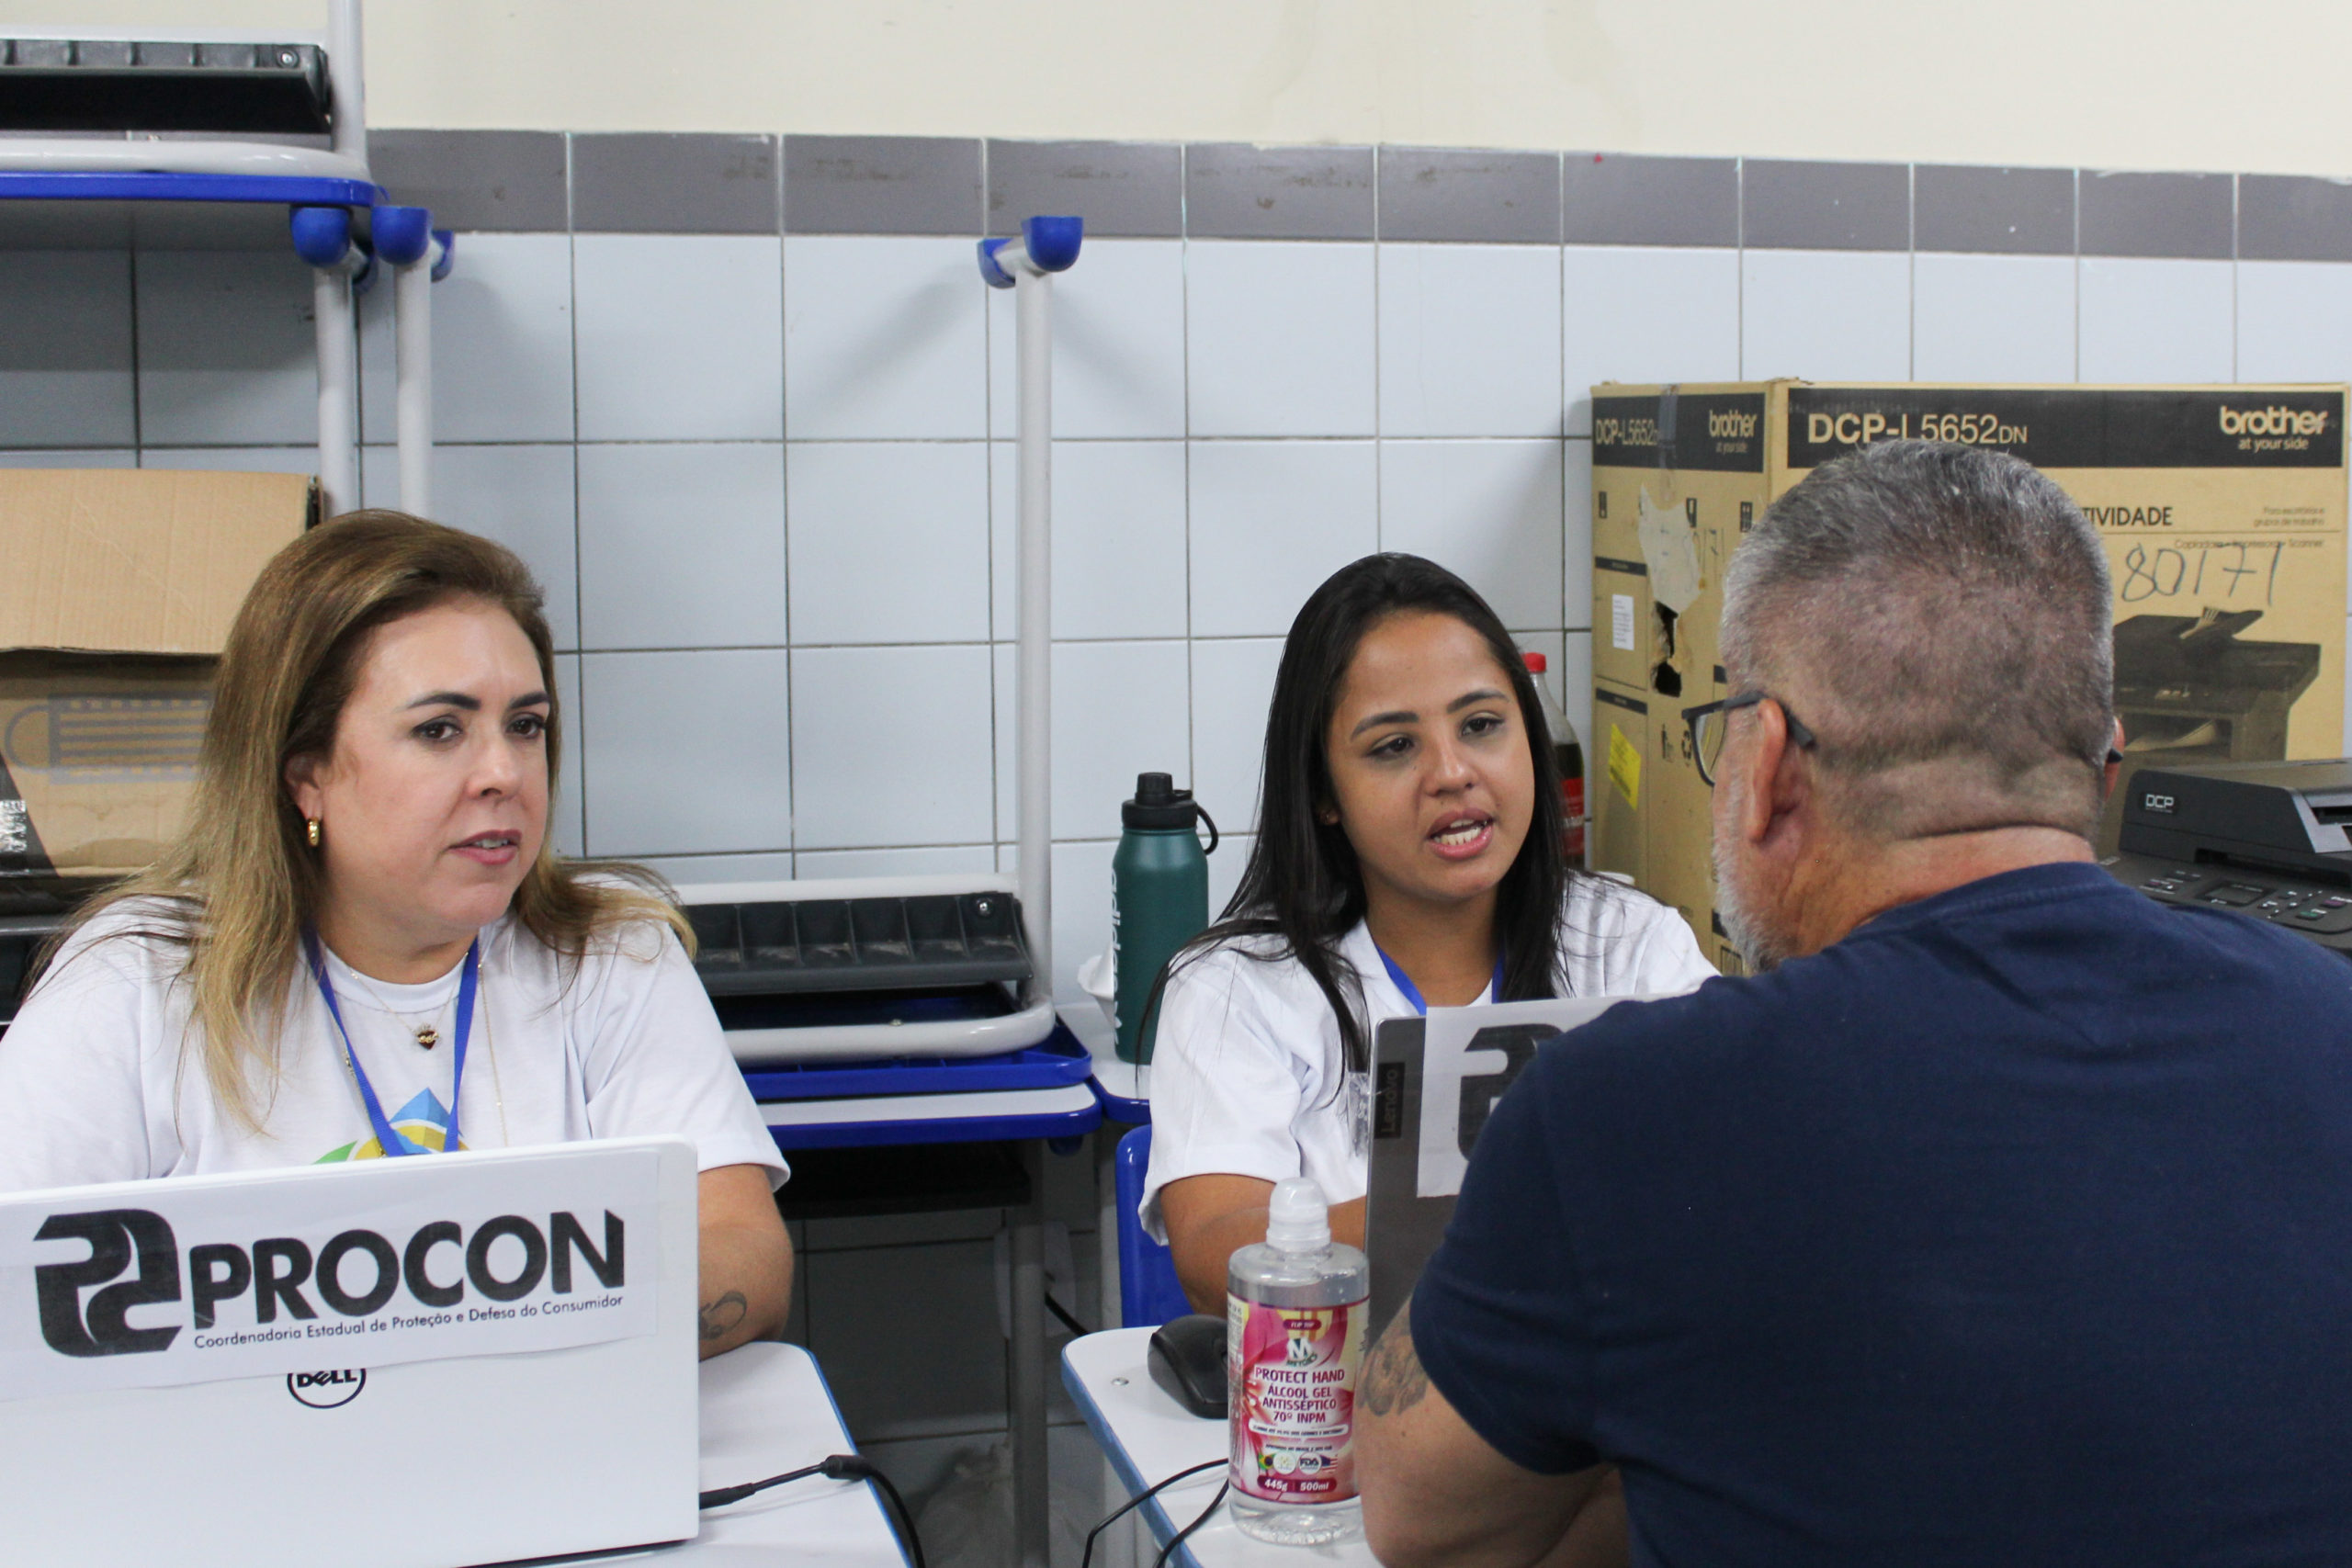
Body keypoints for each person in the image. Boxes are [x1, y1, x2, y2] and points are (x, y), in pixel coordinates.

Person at [1357, 440, 2352, 1567]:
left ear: (1768, 762)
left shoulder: (1631, 1109)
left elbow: (1424, 1528)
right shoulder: (2332, 1025)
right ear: (2105, 766)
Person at [0, 512, 792, 1358]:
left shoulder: (610, 955)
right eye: (439, 730)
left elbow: (746, 1252)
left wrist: (479, 1343)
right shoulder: (133, 983)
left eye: (525, 725)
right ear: (305, 774)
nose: (504, 773)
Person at [1142, 553, 1713, 1313]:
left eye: (1482, 725)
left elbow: (1732, 1181)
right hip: (1343, 1408)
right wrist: (1525, 1200)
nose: (1451, 772)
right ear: (1323, 793)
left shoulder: (1632, 947)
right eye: (1393, 746)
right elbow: (1219, 1258)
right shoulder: (1235, 989)